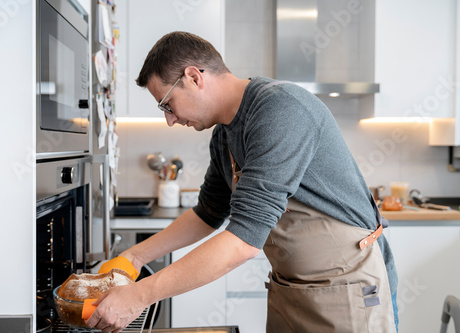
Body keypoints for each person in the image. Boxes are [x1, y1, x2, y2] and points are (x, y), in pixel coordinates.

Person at [85, 31, 399, 333]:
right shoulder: (224, 135)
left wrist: (140, 296)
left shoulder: (280, 110)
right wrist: (134, 257)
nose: (170, 119)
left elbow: (244, 241)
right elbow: (207, 213)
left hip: (349, 290)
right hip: (293, 291)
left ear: (194, 77)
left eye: (167, 104)